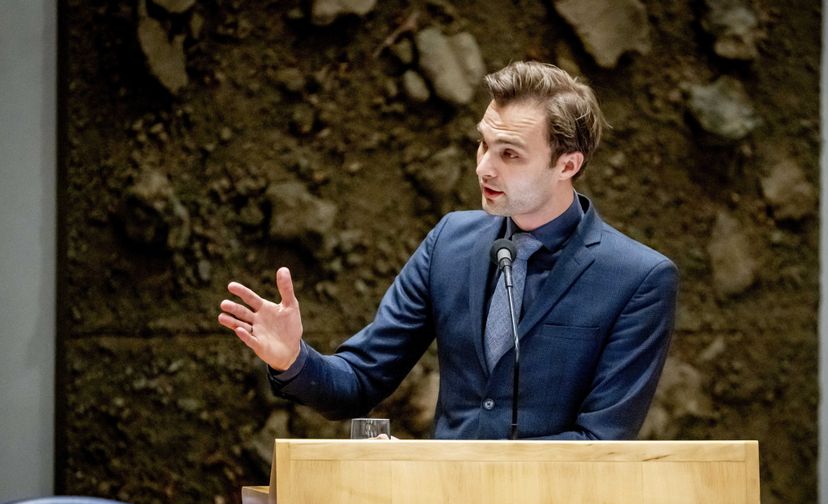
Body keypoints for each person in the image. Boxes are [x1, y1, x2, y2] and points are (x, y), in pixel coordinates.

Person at [218, 61, 678, 440]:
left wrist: (447, 466)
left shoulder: (638, 277)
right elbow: (359, 382)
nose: (484, 167)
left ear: (567, 164)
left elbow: (600, 442)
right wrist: (293, 359)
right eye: (483, 143)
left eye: (510, 154)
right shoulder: (450, 242)